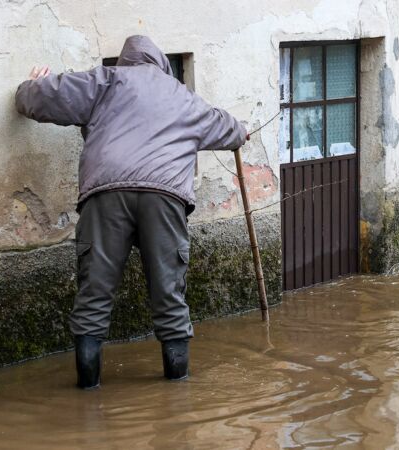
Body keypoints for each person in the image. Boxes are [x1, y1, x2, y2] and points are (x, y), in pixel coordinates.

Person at [15, 35, 249, 389]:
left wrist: (31, 86)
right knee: (169, 296)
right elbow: (229, 129)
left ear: (125, 62)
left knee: (94, 296)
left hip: (105, 194)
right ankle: (177, 391)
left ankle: (88, 392)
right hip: (164, 197)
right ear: (161, 65)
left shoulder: (104, 81)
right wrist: (243, 131)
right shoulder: (182, 96)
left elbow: (39, 99)